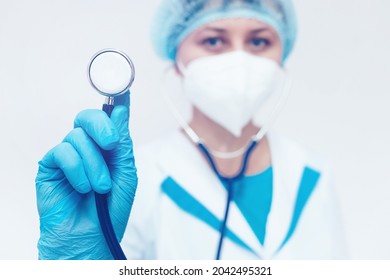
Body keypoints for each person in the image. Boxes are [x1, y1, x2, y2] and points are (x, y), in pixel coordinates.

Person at [35, 0, 346, 260]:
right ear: (176, 55)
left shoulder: (314, 173)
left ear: (282, 53)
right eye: (213, 40)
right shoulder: (127, 184)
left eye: (259, 41)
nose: (238, 58)